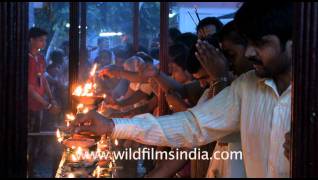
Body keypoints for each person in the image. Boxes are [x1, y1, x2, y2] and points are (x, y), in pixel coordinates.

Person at [72, 2, 293, 178]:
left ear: (293, 41)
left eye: (261, 43)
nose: (249, 53)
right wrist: (112, 126)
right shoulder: (247, 86)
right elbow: (193, 125)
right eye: (249, 43)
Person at [28, 27, 60, 177]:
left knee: (36, 138)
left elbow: (43, 79)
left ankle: (32, 169)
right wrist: (47, 105)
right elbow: (29, 88)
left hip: (40, 105)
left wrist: (51, 98)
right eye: (41, 39)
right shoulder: (26, 59)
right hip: (29, 105)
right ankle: (28, 170)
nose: (44, 42)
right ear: (32, 40)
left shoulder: (40, 58)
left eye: (45, 39)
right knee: (29, 138)